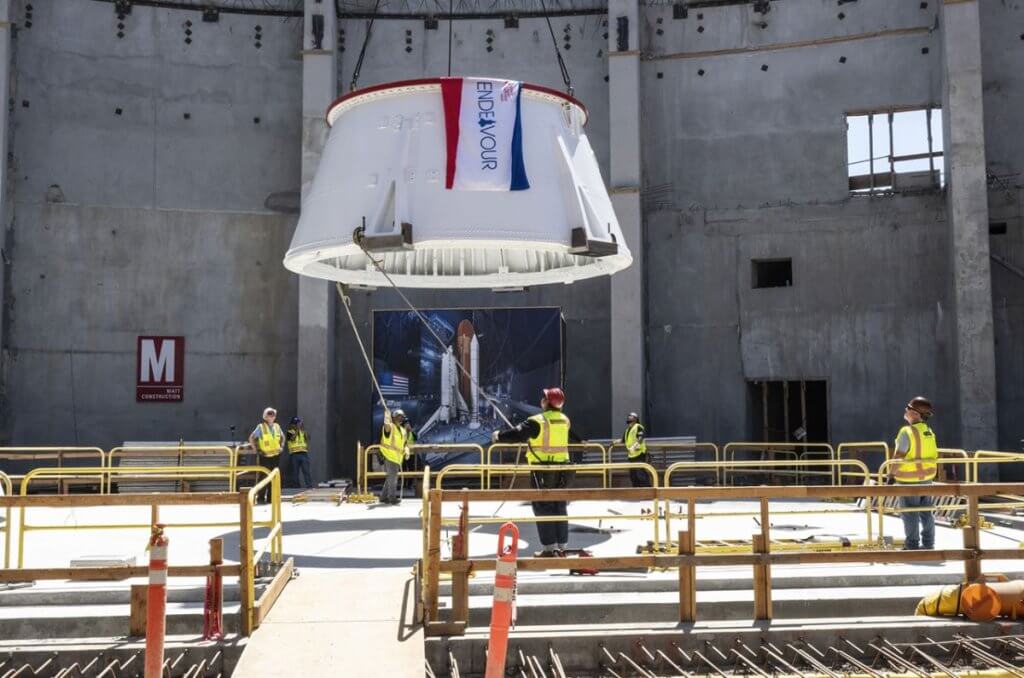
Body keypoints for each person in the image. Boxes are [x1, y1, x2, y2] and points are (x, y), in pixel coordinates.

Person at [492, 387, 583, 557]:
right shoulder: (564, 420)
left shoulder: (537, 421)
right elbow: (572, 435)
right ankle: (561, 546)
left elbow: (517, 434)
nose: (541, 401)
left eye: (543, 398)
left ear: (546, 403)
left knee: (543, 506)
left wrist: (499, 436)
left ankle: (550, 548)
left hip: (542, 471)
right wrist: (581, 441)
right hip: (563, 470)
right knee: (559, 506)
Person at [892, 396, 938, 550]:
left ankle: (911, 545)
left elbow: (899, 455)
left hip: (909, 480)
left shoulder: (907, 431)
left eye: (909, 408)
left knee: (910, 513)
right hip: (926, 478)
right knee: (926, 512)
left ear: (916, 414)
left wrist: (890, 475)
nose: (906, 410)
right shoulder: (929, 431)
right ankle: (929, 543)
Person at [248, 406, 284, 504]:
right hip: (265, 456)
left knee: (274, 477)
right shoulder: (261, 427)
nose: (271, 416)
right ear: (265, 416)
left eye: (272, 414)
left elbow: (282, 437)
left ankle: (271, 498)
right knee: (263, 477)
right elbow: (251, 438)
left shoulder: (277, 426)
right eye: (269, 414)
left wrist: (282, 447)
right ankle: (260, 498)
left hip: (276, 456)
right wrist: (255, 449)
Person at [379, 408, 410, 505]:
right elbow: (387, 427)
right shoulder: (390, 427)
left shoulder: (403, 431)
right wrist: (386, 419)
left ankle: (383, 497)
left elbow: (404, 444)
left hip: (397, 458)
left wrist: (406, 450)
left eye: (401, 417)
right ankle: (392, 498)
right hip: (389, 456)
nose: (400, 419)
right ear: (393, 418)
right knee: (393, 478)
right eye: (398, 417)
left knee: (390, 478)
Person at [621, 412, 650, 487]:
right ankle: (636, 491)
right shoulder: (627, 430)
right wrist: (614, 442)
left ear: (635, 419)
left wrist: (634, 446)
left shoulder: (638, 426)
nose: (629, 419)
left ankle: (647, 491)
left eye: (631, 417)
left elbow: (640, 438)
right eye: (629, 417)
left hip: (639, 454)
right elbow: (623, 440)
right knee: (633, 475)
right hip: (631, 456)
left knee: (641, 474)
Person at [286, 416, 312, 489]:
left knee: (306, 471)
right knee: (295, 473)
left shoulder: (302, 431)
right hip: (294, 454)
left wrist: (304, 430)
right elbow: (292, 439)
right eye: (294, 424)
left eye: (297, 423)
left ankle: (309, 486)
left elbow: (308, 439)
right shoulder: (290, 431)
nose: (296, 425)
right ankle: (296, 488)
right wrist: (297, 429)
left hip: (303, 454)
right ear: (291, 424)